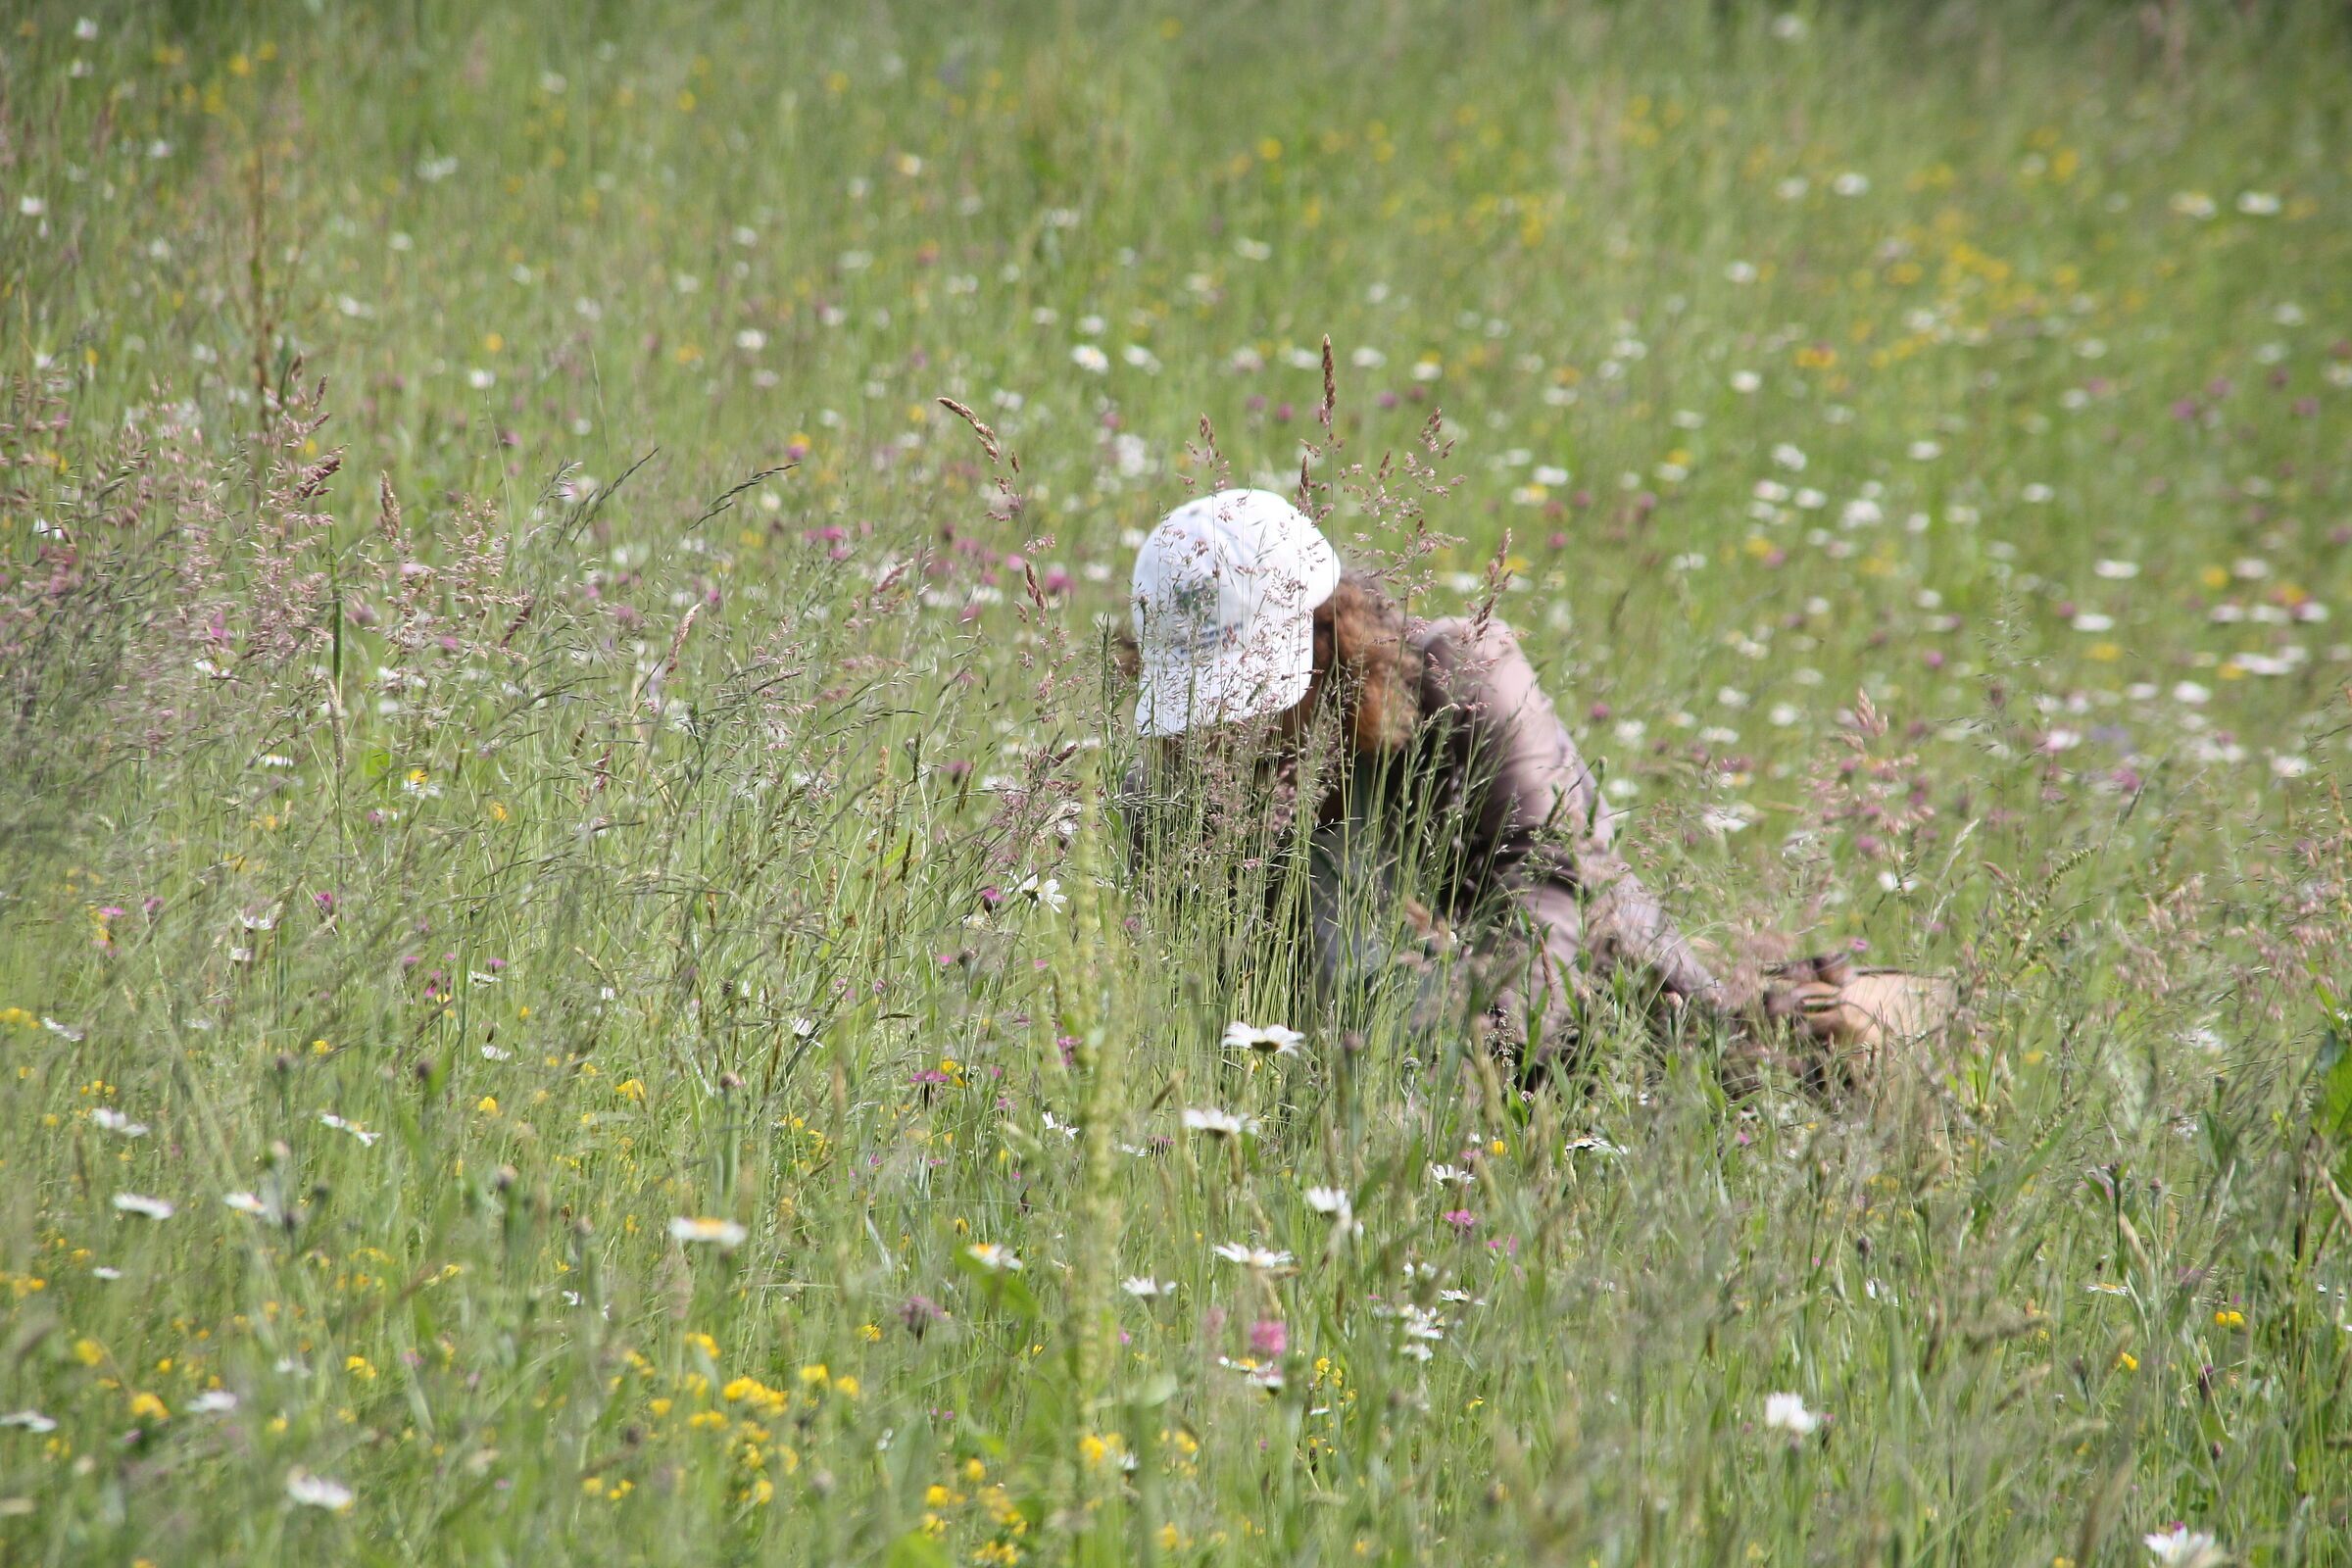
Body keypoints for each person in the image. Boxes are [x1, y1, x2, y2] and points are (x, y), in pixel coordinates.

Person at [1115, 487, 1947, 1091]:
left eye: (1254, 697)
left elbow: (1547, 893)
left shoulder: (1460, 679)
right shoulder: (1164, 806)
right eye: (1208, 707)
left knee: (1841, 1043)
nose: (1230, 732)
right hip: (1337, 1104)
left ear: (1333, 638)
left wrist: (1461, 1062)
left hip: (1594, 1055)